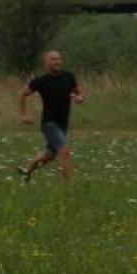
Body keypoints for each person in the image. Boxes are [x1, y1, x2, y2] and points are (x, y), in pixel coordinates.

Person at [15, 49, 84, 181]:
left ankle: (27, 170)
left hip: (63, 124)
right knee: (64, 151)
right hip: (49, 124)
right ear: (46, 63)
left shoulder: (69, 77)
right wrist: (23, 115)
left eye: (59, 59)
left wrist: (79, 98)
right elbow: (22, 94)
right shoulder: (41, 81)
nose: (58, 61)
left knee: (49, 155)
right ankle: (69, 188)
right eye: (53, 59)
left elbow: (78, 92)